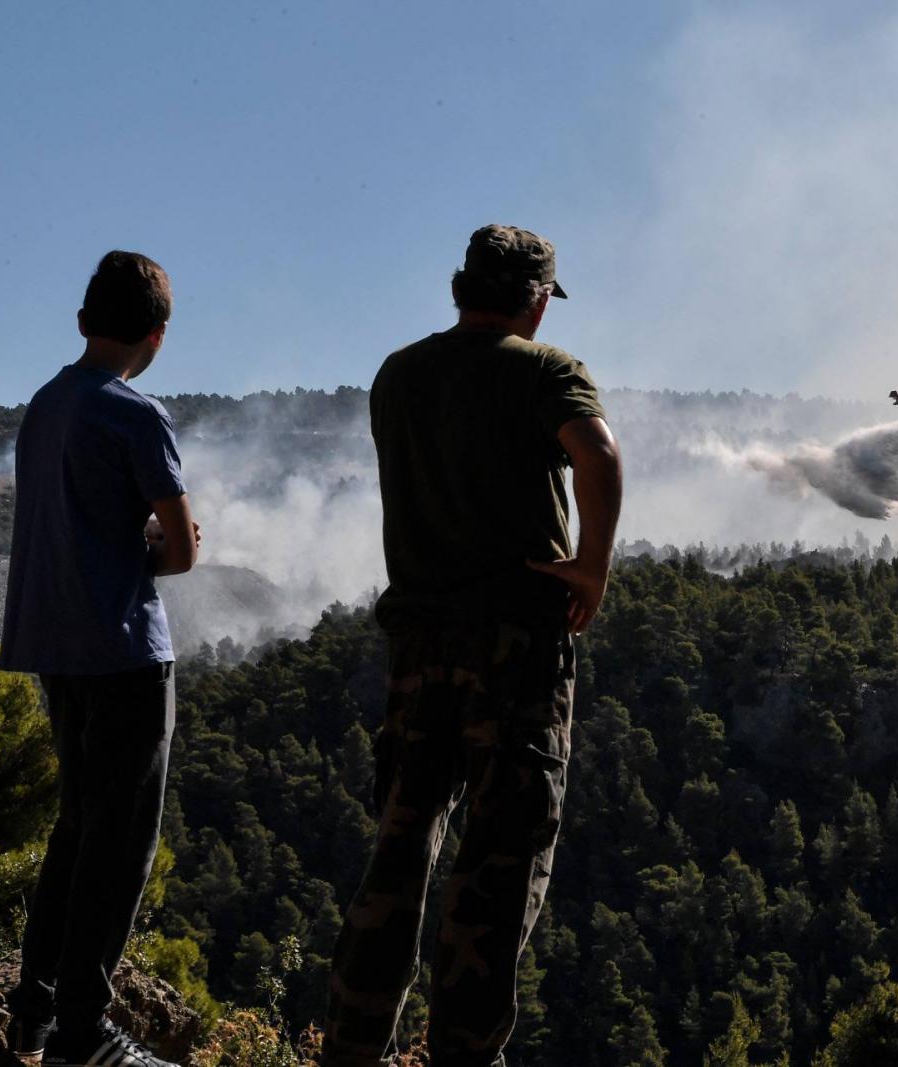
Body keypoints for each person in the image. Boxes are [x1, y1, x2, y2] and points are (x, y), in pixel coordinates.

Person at [324, 224, 623, 1067]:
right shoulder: (547, 369)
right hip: (517, 648)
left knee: (399, 847)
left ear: (462, 286)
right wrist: (592, 568)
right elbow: (597, 455)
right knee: (498, 859)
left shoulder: (398, 374)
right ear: (535, 299)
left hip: (418, 644)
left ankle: (351, 1047)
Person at [0, 251, 200, 1067]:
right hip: (124, 653)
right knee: (120, 847)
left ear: (84, 322)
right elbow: (182, 549)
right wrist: (147, 550)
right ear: (157, 335)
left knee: (76, 829)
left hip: (56, 648)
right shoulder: (135, 414)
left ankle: (34, 1014)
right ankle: (86, 1033)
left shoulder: (45, 406)